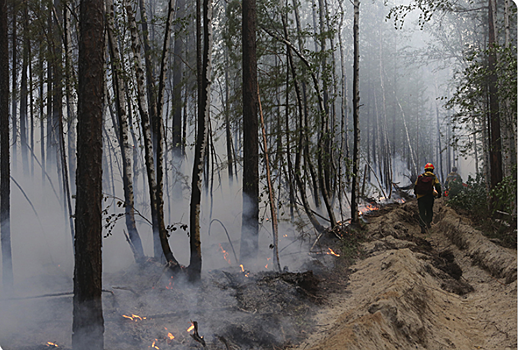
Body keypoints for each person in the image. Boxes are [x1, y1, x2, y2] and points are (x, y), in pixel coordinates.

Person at [414, 163, 441, 233]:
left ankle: (422, 226)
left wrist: (416, 194)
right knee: (429, 210)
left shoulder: (420, 177)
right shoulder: (433, 177)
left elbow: (415, 186)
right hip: (429, 196)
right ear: (432, 170)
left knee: (421, 211)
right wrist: (439, 194)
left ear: (425, 170)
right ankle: (428, 223)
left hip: (420, 197)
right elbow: (438, 186)